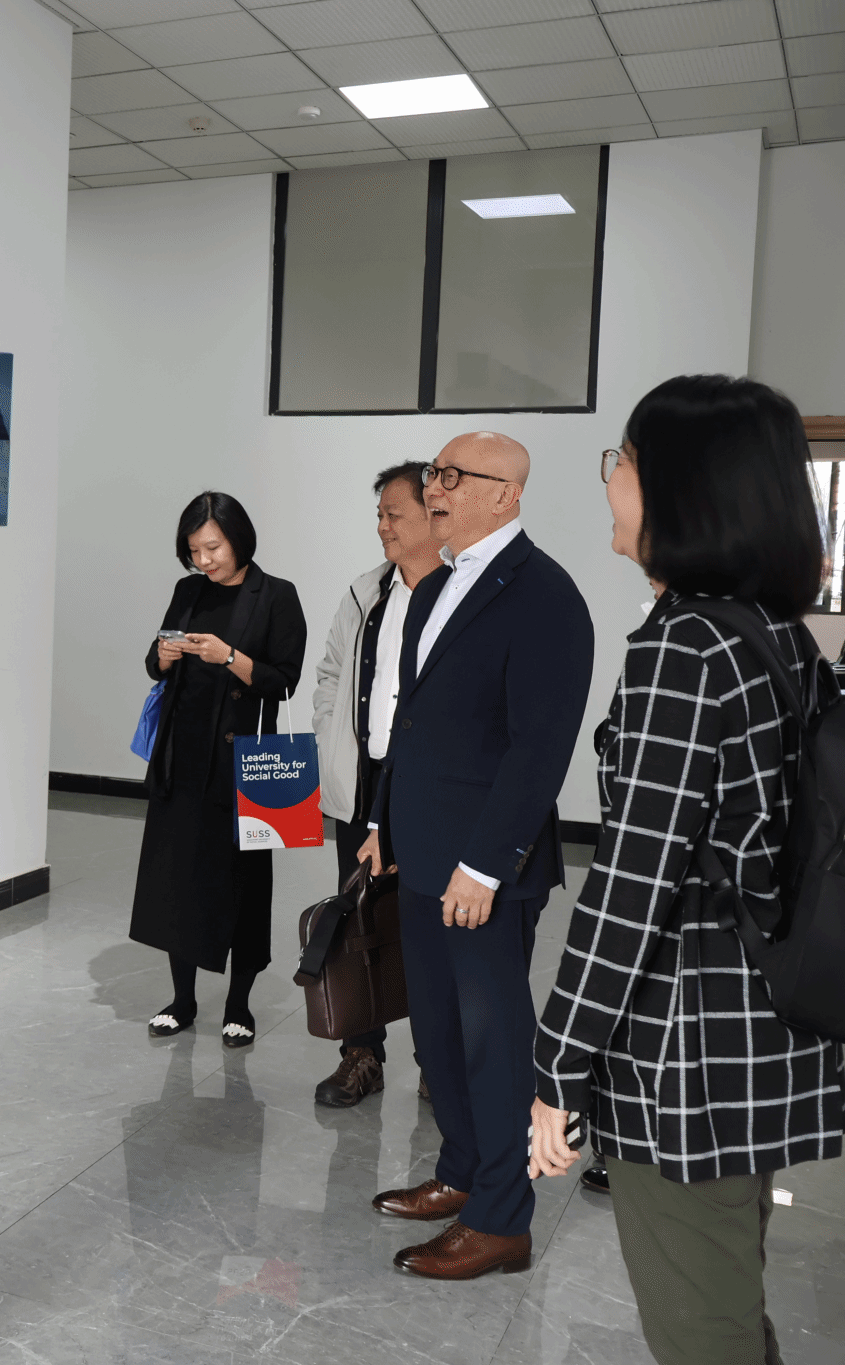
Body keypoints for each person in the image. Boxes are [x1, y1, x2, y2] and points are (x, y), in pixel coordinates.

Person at [530, 377, 845, 1360]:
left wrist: (556, 1065)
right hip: (766, 1022)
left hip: (686, 1052)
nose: (609, 479)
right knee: (727, 1299)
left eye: (622, 460)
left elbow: (630, 889)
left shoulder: (684, 649)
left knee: (701, 1329)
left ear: (683, 488)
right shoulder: (773, 634)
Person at [355, 431, 595, 1281]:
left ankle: (500, 1219)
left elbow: (539, 748)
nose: (437, 488)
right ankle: (460, 1170)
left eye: (454, 476)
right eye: (434, 473)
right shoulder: (433, 588)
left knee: (493, 1044)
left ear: (506, 493)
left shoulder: (546, 596)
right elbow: (408, 724)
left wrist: (487, 864)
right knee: (438, 1033)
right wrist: (380, 821)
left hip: (483, 872)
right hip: (419, 852)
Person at [132, 491, 306, 1049]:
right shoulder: (188, 591)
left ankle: (239, 1004)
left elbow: (285, 680)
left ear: (238, 539)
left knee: (244, 887)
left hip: (247, 764)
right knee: (177, 880)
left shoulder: (276, 595)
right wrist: (162, 657)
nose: (203, 560)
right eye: (194, 550)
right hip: (181, 759)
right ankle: (182, 1000)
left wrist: (229, 656)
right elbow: (155, 662)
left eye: (212, 547)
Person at [306, 461, 437, 1108]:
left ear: (432, 515)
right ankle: (361, 1054)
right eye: (379, 514)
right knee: (357, 919)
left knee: (428, 925)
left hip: (428, 788)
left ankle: (436, 1060)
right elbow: (331, 672)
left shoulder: (458, 593)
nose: (382, 525)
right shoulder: (367, 593)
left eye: (394, 514)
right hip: (363, 782)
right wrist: (331, 740)